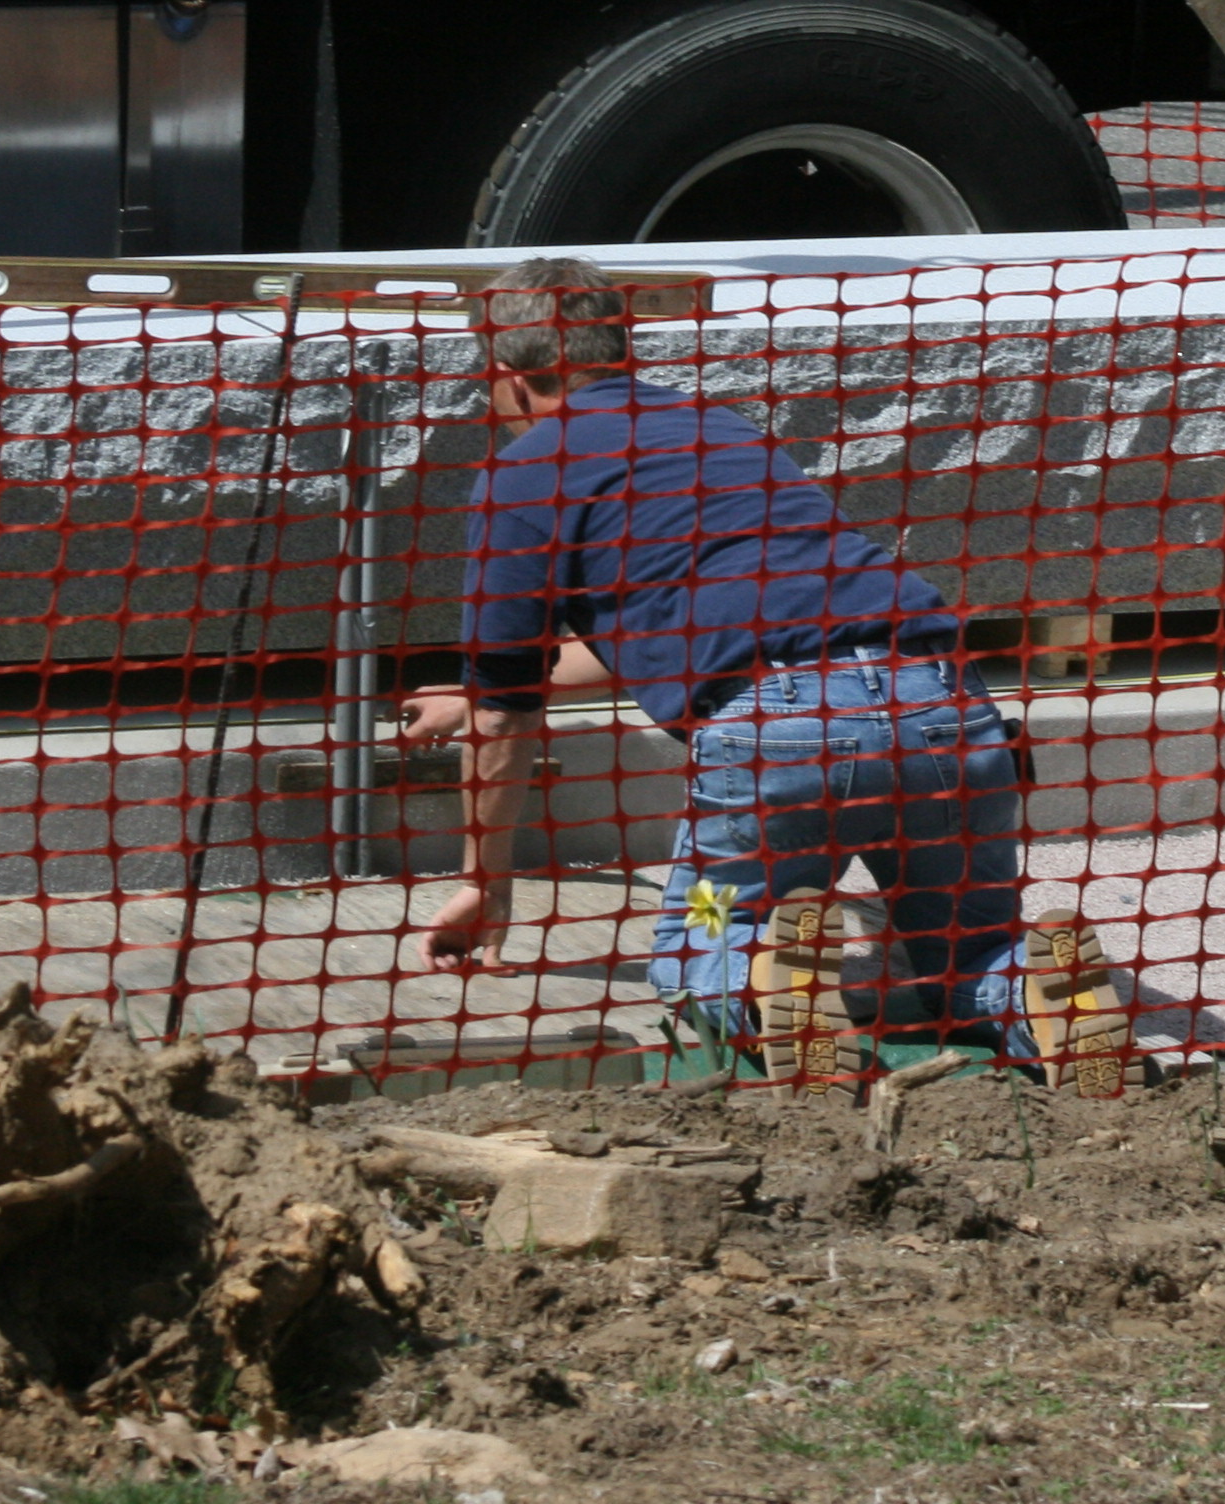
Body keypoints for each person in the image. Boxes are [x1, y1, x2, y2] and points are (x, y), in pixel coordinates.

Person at [399, 256, 1132, 1090]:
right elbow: (661, 624)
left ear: (506, 372)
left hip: (778, 747)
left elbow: (507, 718)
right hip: (944, 714)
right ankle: (1036, 998)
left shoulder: (525, 472)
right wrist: (476, 693)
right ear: (616, 343)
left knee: (704, 940)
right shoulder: (721, 430)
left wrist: (485, 887)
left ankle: (757, 983)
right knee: (968, 949)